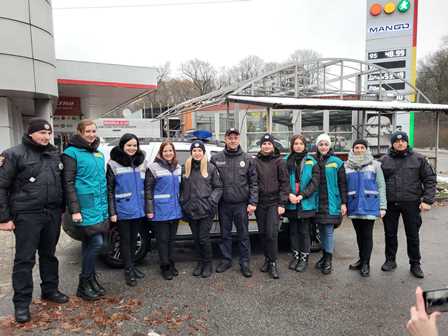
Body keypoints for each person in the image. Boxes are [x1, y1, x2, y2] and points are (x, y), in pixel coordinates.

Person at [0, 119, 69, 323]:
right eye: (41, 133)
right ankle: (21, 304)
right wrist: (4, 218)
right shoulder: (13, 154)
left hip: (52, 213)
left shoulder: (54, 153)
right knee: (24, 260)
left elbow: (62, 182)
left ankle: (50, 290)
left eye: (48, 133)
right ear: (31, 134)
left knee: (49, 255)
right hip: (27, 214)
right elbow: (2, 187)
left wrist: (63, 207)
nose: (46, 137)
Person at [63, 119, 109, 301]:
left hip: (99, 207)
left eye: (93, 131)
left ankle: (91, 279)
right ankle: (83, 283)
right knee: (97, 243)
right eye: (87, 131)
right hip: (84, 207)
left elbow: (102, 182)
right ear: (80, 132)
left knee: (89, 244)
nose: (91, 134)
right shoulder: (70, 153)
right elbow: (68, 183)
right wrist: (74, 209)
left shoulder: (98, 153)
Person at [380, 131, 436, 278]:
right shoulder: (384, 160)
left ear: (406, 142)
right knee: (390, 233)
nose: (400, 143)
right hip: (390, 203)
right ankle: (390, 260)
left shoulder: (419, 159)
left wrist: (427, 200)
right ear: (392, 143)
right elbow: (378, 183)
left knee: (412, 234)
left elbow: (429, 179)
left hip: (411, 202)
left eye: (403, 141)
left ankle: (415, 264)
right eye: (397, 141)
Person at [210, 128, 258, 278]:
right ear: (225, 139)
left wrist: (253, 202)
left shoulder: (248, 159)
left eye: (235, 137)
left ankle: (245, 263)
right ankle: (226, 260)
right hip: (223, 204)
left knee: (243, 235)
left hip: (241, 205)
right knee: (225, 235)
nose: (232, 140)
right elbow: (211, 182)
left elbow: (254, 183)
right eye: (229, 137)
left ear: (239, 139)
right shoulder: (216, 158)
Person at [106, 133, 148, 287]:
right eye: (129, 145)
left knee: (133, 240)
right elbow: (109, 190)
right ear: (122, 146)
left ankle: (133, 266)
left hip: (138, 208)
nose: (132, 148)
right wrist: (112, 212)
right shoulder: (113, 164)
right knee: (124, 241)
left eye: (134, 145)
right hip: (123, 208)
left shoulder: (141, 162)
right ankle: (128, 270)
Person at [180, 140, 223, 278]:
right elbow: (181, 189)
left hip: (206, 210)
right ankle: (199, 263)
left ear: (203, 152)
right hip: (191, 209)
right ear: (191, 153)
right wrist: (183, 202)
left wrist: (211, 201)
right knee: (196, 238)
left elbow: (218, 187)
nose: (197, 153)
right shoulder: (185, 168)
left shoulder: (210, 168)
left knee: (204, 238)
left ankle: (207, 264)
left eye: (199, 151)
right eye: (194, 151)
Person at [345, 139, 387, 277]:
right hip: (354, 205)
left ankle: (366, 264)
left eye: (362, 147)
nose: (359, 149)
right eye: (356, 147)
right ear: (352, 149)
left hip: (370, 205)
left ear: (366, 149)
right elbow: (343, 186)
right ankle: (361, 259)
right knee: (359, 235)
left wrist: (383, 206)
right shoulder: (347, 166)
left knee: (367, 235)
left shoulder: (375, 165)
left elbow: (381, 186)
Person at [253, 134, 289, 279]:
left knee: (271, 234)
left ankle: (273, 263)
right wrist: (253, 202)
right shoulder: (255, 162)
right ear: (260, 146)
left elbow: (285, 183)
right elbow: (253, 183)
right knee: (262, 233)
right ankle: (267, 259)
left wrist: (282, 202)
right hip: (260, 203)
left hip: (274, 203)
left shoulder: (279, 162)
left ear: (273, 146)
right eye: (264, 143)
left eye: (269, 143)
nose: (266, 146)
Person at [146, 140, 183, 280]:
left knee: (172, 240)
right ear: (161, 153)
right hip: (160, 210)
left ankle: (171, 262)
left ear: (174, 153)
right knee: (162, 240)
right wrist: (149, 210)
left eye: (171, 151)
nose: (168, 153)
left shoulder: (178, 167)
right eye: (165, 151)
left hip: (175, 210)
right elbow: (148, 190)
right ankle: (164, 266)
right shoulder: (153, 168)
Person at [312, 133, 347, 274]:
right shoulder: (312, 160)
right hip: (317, 201)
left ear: (329, 146)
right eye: (321, 144)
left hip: (331, 201)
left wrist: (344, 203)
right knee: (321, 229)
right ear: (317, 146)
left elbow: (343, 184)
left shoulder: (337, 162)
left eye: (326, 144)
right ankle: (324, 256)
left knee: (328, 231)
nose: (324, 147)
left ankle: (328, 261)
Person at [285, 134, 320, 273]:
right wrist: (289, 194)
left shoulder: (312, 161)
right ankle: (295, 255)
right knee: (293, 231)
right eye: (295, 143)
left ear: (305, 145)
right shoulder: (286, 160)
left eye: (301, 143)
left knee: (304, 231)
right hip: (291, 201)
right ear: (292, 146)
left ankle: (304, 258)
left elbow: (315, 182)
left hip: (306, 202)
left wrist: (302, 195)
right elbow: (283, 180)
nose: (298, 146)